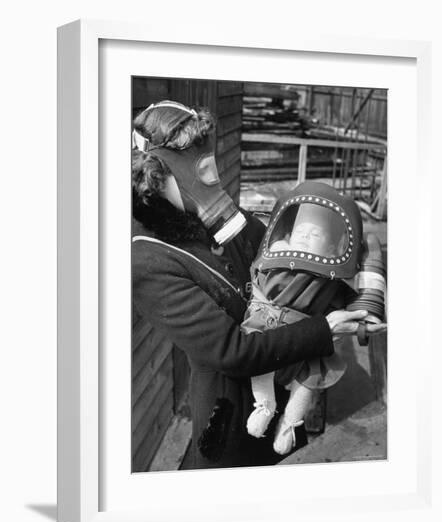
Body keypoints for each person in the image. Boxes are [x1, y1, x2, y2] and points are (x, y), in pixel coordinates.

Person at [131, 100, 382, 469]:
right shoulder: (149, 261)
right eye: (193, 162)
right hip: (230, 412)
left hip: (284, 383)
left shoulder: (222, 221)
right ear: (157, 174)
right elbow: (230, 352)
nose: (210, 178)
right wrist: (324, 329)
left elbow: (289, 260)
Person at [243, 181, 387, 454]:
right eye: (301, 231)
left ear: (332, 246)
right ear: (287, 234)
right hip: (269, 328)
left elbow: (351, 305)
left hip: (310, 340)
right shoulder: (276, 258)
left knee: (309, 380)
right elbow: (257, 280)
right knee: (258, 362)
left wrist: (364, 321)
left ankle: (289, 422)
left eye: (316, 234)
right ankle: (265, 406)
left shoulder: (331, 277)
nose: (306, 237)